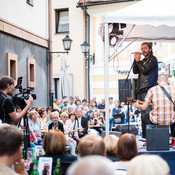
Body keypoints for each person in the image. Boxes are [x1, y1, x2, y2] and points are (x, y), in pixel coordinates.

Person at [135, 74, 175, 142]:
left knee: (144, 117)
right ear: (167, 81)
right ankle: (173, 138)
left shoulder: (152, 90)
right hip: (170, 120)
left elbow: (144, 107)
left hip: (156, 119)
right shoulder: (173, 89)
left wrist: (138, 106)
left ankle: (145, 138)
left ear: (157, 81)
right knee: (173, 117)